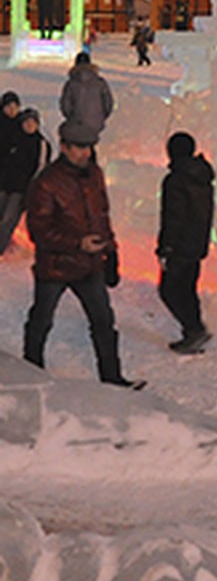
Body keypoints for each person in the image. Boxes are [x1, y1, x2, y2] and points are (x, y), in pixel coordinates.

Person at [22, 123, 143, 389]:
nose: (85, 152)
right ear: (64, 146)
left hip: (89, 266)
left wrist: (111, 252)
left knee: (104, 323)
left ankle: (112, 379)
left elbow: (102, 217)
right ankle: (31, 375)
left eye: (88, 147)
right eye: (78, 147)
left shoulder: (95, 174)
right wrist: (78, 244)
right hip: (55, 267)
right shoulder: (46, 183)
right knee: (41, 321)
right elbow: (39, 231)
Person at [156, 132, 215, 354]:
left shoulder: (176, 180)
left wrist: (166, 246)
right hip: (197, 243)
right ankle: (194, 330)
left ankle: (194, 329)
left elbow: (173, 217)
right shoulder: (203, 177)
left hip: (179, 246)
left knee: (169, 290)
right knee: (188, 289)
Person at [0, 107, 52, 253]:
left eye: (32, 122)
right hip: (4, 184)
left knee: (8, 219)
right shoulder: (13, 139)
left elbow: (41, 168)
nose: (29, 125)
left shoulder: (41, 143)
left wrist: (32, 188)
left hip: (22, 189)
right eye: (26, 122)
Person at [59, 52, 114, 146]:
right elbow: (108, 103)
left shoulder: (71, 83)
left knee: (80, 146)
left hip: (77, 122)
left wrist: (71, 117)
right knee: (90, 145)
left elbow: (65, 105)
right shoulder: (100, 82)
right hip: (95, 122)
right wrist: (101, 116)